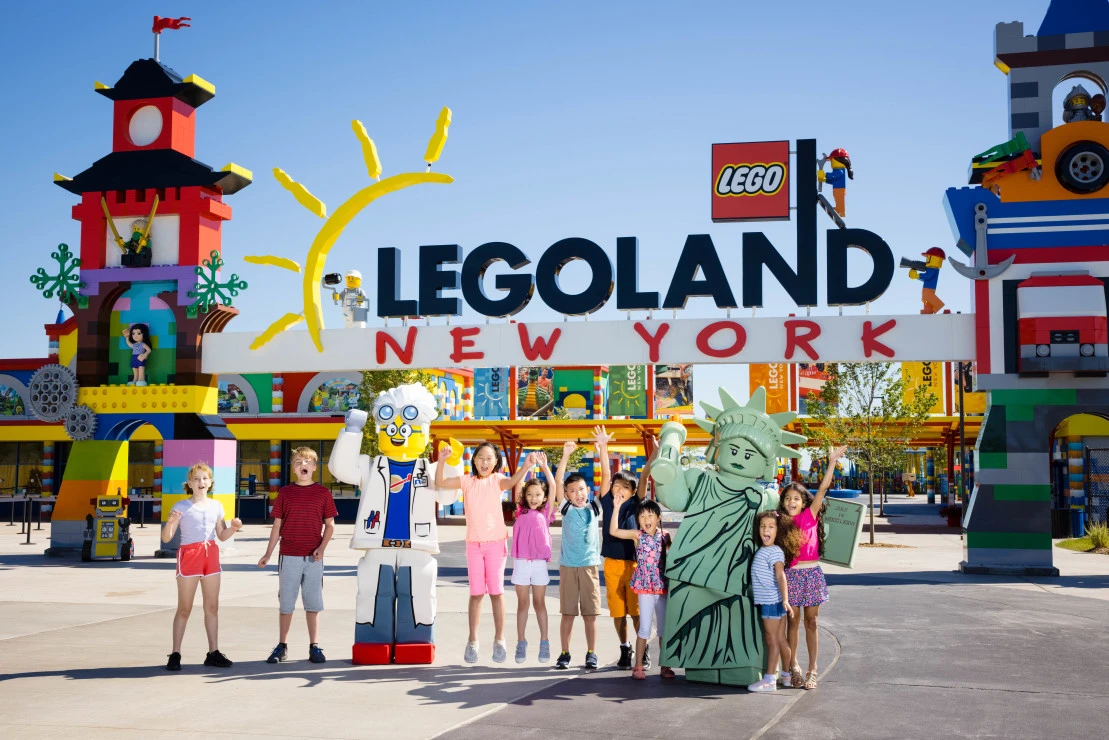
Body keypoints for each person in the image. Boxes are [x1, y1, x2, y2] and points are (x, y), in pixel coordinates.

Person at [436, 442, 534, 663]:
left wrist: (525, 466)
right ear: (474, 460)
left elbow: (511, 482)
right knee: (476, 594)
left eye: (490, 458)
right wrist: (442, 460)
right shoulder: (467, 481)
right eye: (481, 457)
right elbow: (441, 482)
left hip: (495, 543)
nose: (485, 462)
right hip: (473, 544)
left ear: (496, 462)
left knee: (497, 593)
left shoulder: (497, 480)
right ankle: (472, 640)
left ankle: (499, 639)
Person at [258, 446, 337, 665]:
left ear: (313, 467)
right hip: (289, 556)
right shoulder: (285, 493)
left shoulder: (323, 493)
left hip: (313, 558)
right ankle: (282, 645)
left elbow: (330, 526)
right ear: (293, 468)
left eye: (307, 461)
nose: (303, 464)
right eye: (298, 461)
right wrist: (268, 554)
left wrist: (322, 548)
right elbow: (277, 526)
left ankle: (314, 646)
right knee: (286, 604)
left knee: (313, 603)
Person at [162, 462, 242, 671]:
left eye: (204, 478)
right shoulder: (181, 506)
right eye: (196, 479)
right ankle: (175, 653)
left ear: (210, 482)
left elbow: (222, 535)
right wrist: (170, 522)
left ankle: (213, 652)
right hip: (189, 555)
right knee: (184, 608)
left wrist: (232, 529)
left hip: (211, 555)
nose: (200, 482)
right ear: (189, 483)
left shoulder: (216, 506)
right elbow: (167, 537)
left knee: (212, 607)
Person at [779, 445, 846, 690]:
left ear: (804, 501)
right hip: (791, 575)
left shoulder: (810, 515)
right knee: (792, 622)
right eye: (788, 498)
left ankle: (812, 669)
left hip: (812, 574)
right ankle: (794, 667)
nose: (792, 501)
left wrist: (831, 462)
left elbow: (824, 487)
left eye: (796, 498)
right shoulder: (780, 522)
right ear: (783, 503)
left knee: (812, 622)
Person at [553, 427, 611, 670]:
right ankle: (564, 653)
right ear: (566, 495)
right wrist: (565, 454)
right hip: (568, 567)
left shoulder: (593, 509)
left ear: (588, 491)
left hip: (588, 567)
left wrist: (603, 449)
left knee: (590, 614)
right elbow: (557, 480)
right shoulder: (566, 509)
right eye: (572, 491)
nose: (578, 494)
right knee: (567, 614)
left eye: (582, 490)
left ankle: (591, 653)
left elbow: (606, 478)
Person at [608, 492, 675, 680]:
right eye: (642, 516)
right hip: (645, 588)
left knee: (663, 629)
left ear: (658, 517)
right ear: (638, 519)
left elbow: (672, 559)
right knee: (644, 628)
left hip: (661, 588)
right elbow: (614, 531)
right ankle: (638, 666)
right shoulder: (637, 536)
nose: (646, 519)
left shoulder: (666, 536)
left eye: (650, 515)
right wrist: (616, 507)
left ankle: (665, 665)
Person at [599, 447, 653, 669]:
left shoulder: (635, 504)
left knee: (636, 611)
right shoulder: (607, 501)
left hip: (634, 564)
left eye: (625, 487)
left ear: (633, 492)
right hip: (612, 564)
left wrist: (653, 457)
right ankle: (625, 647)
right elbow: (604, 472)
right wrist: (602, 447)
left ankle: (643, 648)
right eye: (616, 485)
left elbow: (644, 478)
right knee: (618, 611)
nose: (619, 489)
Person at [510, 452, 557, 663]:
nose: (533, 498)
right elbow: (518, 483)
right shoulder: (520, 512)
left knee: (539, 603)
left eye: (538, 494)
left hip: (539, 565)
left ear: (544, 498)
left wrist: (545, 466)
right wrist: (527, 465)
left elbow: (553, 487)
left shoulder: (546, 513)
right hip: (521, 563)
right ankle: (521, 642)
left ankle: (544, 642)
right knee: (522, 604)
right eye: (530, 494)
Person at [746, 511, 800, 692]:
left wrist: (785, 599)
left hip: (772, 602)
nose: (765, 530)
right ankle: (786, 675)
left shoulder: (775, 551)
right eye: (762, 526)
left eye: (770, 527)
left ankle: (769, 679)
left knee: (771, 640)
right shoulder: (766, 550)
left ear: (779, 531)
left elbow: (780, 575)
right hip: (774, 601)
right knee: (781, 639)